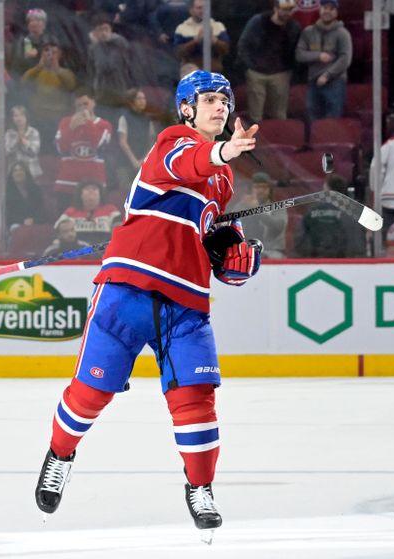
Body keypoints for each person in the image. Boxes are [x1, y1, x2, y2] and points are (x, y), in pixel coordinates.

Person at [34, 70, 262, 536]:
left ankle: (200, 488)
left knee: (195, 401)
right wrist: (224, 150)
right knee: (89, 395)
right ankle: (60, 454)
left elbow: (209, 233)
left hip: (187, 304)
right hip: (126, 293)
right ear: (186, 109)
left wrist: (233, 252)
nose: (221, 107)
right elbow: (191, 163)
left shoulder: (223, 180)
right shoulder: (173, 143)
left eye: (225, 100)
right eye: (210, 100)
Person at [237, 0, 301, 123]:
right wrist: (249, 67)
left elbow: (295, 50)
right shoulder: (259, 21)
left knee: (279, 114)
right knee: (256, 116)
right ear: (276, 8)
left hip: (281, 73)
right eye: (284, 9)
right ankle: (258, 141)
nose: (287, 13)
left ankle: (280, 140)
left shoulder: (294, 27)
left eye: (290, 10)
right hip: (257, 72)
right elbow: (243, 44)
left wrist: (289, 70)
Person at [53, 89, 112, 211]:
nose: (82, 108)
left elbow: (98, 144)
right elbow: (61, 148)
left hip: (94, 185)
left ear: (94, 103)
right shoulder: (65, 122)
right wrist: (71, 128)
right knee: (64, 222)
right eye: (79, 105)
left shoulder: (104, 125)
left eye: (85, 104)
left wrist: (88, 123)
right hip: (67, 184)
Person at [295, 0, 352, 122]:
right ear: (320, 9)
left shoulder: (343, 33)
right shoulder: (308, 32)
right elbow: (299, 55)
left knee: (332, 121)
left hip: (335, 82)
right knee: (312, 119)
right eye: (325, 8)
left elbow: (345, 59)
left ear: (336, 13)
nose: (327, 11)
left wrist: (327, 75)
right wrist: (318, 55)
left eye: (331, 9)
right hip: (313, 82)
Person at [22, 41, 77, 152]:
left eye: (54, 52)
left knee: (55, 149)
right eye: (46, 51)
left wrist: (56, 69)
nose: (50, 54)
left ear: (60, 55)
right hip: (38, 117)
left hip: (57, 118)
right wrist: (39, 67)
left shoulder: (65, 72)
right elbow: (24, 82)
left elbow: (71, 85)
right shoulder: (36, 72)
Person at [295, 174, 366, 257]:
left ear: (326, 189)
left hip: (317, 262)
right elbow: (358, 245)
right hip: (345, 263)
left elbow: (300, 242)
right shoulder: (354, 213)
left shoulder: (312, 211)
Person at [233, 171, 287, 258]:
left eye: (265, 187)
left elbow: (278, 227)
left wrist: (257, 210)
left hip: (272, 251)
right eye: (257, 187)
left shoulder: (278, 207)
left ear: (270, 190)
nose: (261, 190)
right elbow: (231, 225)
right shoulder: (242, 206)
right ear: (251, 189)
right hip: (247, 249)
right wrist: (243, 207)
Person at [54, 180, 122, 245]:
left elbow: (121, 229)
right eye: (87, 189)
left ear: (100, 194)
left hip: (104, 248)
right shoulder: (70, 212)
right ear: (80, 195)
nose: (91, 191)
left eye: (94, 189)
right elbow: (57, 230)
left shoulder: (111, 210)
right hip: (78, 250)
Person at [173, 0, 230, 73]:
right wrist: (195, 41)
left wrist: (214, 40)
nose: (203, 10)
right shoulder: (182, 28)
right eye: (199, 8)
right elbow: (179, 53)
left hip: (214, 73)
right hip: (192, 73)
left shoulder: (218, 26)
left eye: (205, 8)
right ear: (191, 10)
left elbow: (226, 50)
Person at [116, 89, 157, 188]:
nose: (143, 101)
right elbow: (122, 142)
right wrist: (134, 161)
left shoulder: (147, 120)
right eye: (139, 98)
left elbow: (152, 141)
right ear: (131, 102)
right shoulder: (124, 118)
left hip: (143, 162)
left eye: (144, 98)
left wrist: (143, 160)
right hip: (125, 163)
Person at [4, 105, 42, 180]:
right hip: (13, 171)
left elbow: (34, 151)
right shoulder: (9, 133)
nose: (19, 118)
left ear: (26, 117)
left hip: (31, 170)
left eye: (22, 115)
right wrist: (16, 142)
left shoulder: (33, 132)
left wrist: (26, 143)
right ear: (12, 118)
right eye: (16, 115)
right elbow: (6, 152)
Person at [6, 161, 45, 230]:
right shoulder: (7, 192)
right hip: (16, 224)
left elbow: (41, 210)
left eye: (21, 170)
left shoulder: (35, 189)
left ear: (26, 173)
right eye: (15, 171)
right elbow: (8, 214)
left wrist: (33, 220)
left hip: (35, 223)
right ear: (11, 175)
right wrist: (23, 221)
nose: (18, 173)